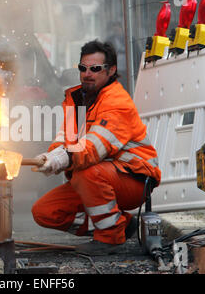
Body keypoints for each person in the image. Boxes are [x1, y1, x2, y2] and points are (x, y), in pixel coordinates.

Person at [31, 40, 161, 256]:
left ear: (111, 71)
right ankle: (121, 223)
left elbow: (93, 148)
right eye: (83, 68)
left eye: (95, 69)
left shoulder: (116, 102)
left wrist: (63, 159)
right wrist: (51, 155)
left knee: (86, 172)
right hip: (98, 178)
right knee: (44, 212)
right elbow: (65, 139)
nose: (87, 74)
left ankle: (109, 237)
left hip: (134, 179)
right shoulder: (78, 100)